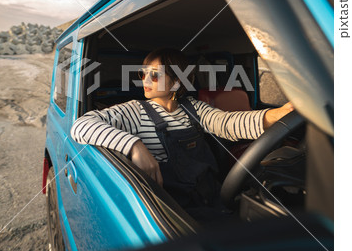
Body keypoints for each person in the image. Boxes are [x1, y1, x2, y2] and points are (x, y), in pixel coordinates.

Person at [71, 48, 293, 218]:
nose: (145, 81)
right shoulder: (135, 110)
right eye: (143, 73)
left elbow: (227, 122)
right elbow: (80, 126)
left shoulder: (193, 108)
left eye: (154, 75)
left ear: (177, 81)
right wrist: (134, 146)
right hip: (173, 212)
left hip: (212, 198)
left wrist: (274, 115)